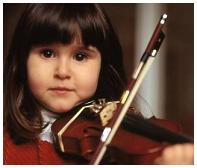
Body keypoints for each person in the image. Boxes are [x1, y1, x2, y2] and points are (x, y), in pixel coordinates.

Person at [3, 4, 194, 165]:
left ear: (102, 67)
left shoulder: (118, 145)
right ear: (22, 62)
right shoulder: (6, 150)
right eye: (47, 53)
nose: (62, 72)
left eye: (80, 56)